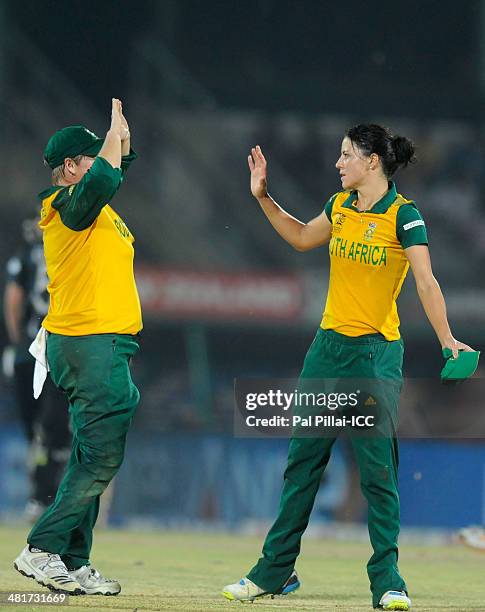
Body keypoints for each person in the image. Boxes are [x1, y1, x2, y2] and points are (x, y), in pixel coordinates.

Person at [222, 125, 473, 610]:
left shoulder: (406, 217)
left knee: (377, 469)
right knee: (302, 465)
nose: (338, 164)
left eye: (346, 155)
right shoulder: (339, 208)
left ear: (372, 161)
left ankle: (387, 582)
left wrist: (447, 341)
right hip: (328, 350)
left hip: (376, 353)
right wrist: (263, 197)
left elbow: (425, 282)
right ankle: (273, 572)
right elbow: (298, 237)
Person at [13, 98, 142, 596]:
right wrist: (110, 141)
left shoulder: (88, 205)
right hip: (90, 342)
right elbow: (102, 180)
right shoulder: (66, 205)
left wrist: (119, 143)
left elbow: (112, 172)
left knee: (94, 453)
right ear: (70, 167)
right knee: (101, 459)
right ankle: (41, 548)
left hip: (101, 342)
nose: (99, 165)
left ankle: (74, 559)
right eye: (88, 158)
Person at [4, 218, 71, 521]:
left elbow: (14, 298)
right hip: (57, 348)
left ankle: (40, 496)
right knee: (55, 428)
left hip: (29, 352)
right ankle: (47, 497)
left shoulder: (29, 250)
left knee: (37, 431)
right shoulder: (73, 246)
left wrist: (18, 342)